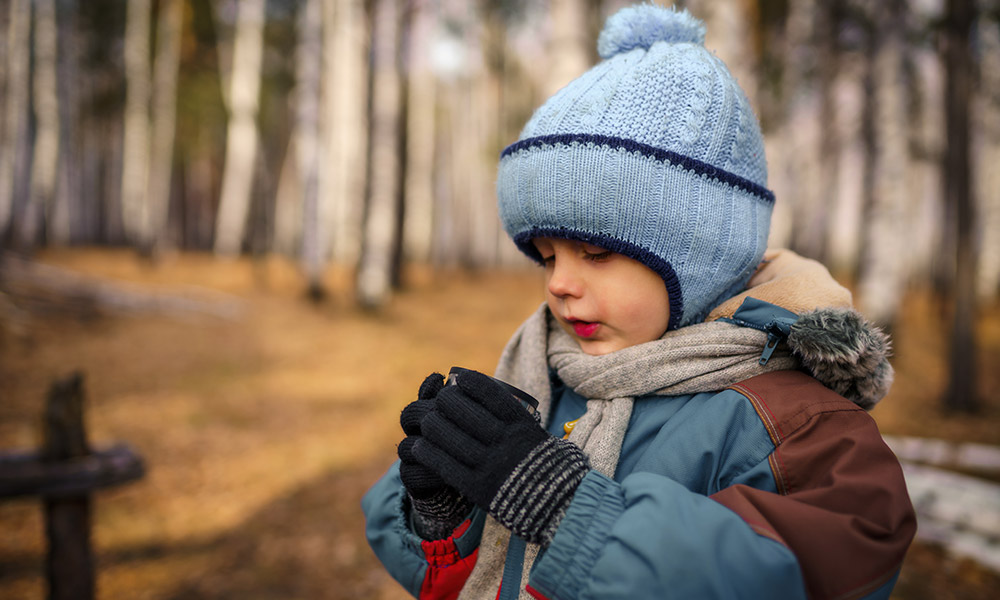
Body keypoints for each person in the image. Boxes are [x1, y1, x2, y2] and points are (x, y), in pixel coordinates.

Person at [362, 4, 916, 599]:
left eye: (595, 252)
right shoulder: (545, 379)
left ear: (701, 258)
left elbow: (824, 570)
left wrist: (567, 508)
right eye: (547, 256)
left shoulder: (792, 423)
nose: (557, 284)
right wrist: (443, 521)